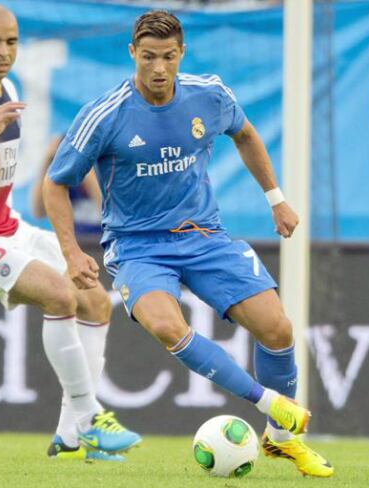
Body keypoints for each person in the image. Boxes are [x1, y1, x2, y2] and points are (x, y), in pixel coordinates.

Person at [43, 10, 333, 478]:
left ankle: (280, 442)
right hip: (137, 246)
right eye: (149, 57)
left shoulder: (210, 94)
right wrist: (73, 253)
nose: (159, 68)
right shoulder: (106, 114)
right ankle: (270, 403)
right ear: (132, 54)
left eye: (169, 57)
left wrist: (276, 199)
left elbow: (245, 134)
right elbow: (55, 183)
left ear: (182, 55)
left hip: (203, 235)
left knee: (277, 329)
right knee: (165, 325)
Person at [0, 4, 140, 461]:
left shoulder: (9, 87)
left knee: (93, 298)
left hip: (4, 226)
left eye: (11, 42)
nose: (3, 52)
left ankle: (71, 435)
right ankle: (92, 418)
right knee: (58, 294)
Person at [32, 134, 102, 236]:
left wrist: (87, 170)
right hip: (75, 243)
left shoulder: (108, 175)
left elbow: (109, 211)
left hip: (103, 242)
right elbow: (38, 212)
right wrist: (48, 163)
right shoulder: (66, 182)